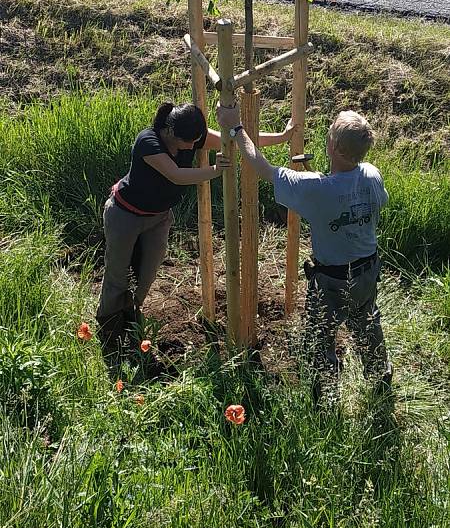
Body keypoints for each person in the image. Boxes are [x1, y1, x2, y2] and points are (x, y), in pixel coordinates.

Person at [216, 105, 393, 403]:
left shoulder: (316, 189)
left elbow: (263, 169)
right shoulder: (371, 175)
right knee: (366, 320)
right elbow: (352, 197)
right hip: (368, 270)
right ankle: (380, 377)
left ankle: (324, 396)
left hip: (333, 281)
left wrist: (236, 129)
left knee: (319, 334)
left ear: (334, 147)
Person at [97, 101, 295, 355]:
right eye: (188, 142)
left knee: (147, 273)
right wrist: (214, 170)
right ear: (170, 132)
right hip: (125, 215)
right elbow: (176, 174)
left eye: (196, 141)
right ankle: (109, 330)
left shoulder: (189, 136)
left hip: (158, 218)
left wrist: (282, 136)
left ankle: (131, 317)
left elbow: (234, 139)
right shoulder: (148, 142)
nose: (193, 146)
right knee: (117, 273)